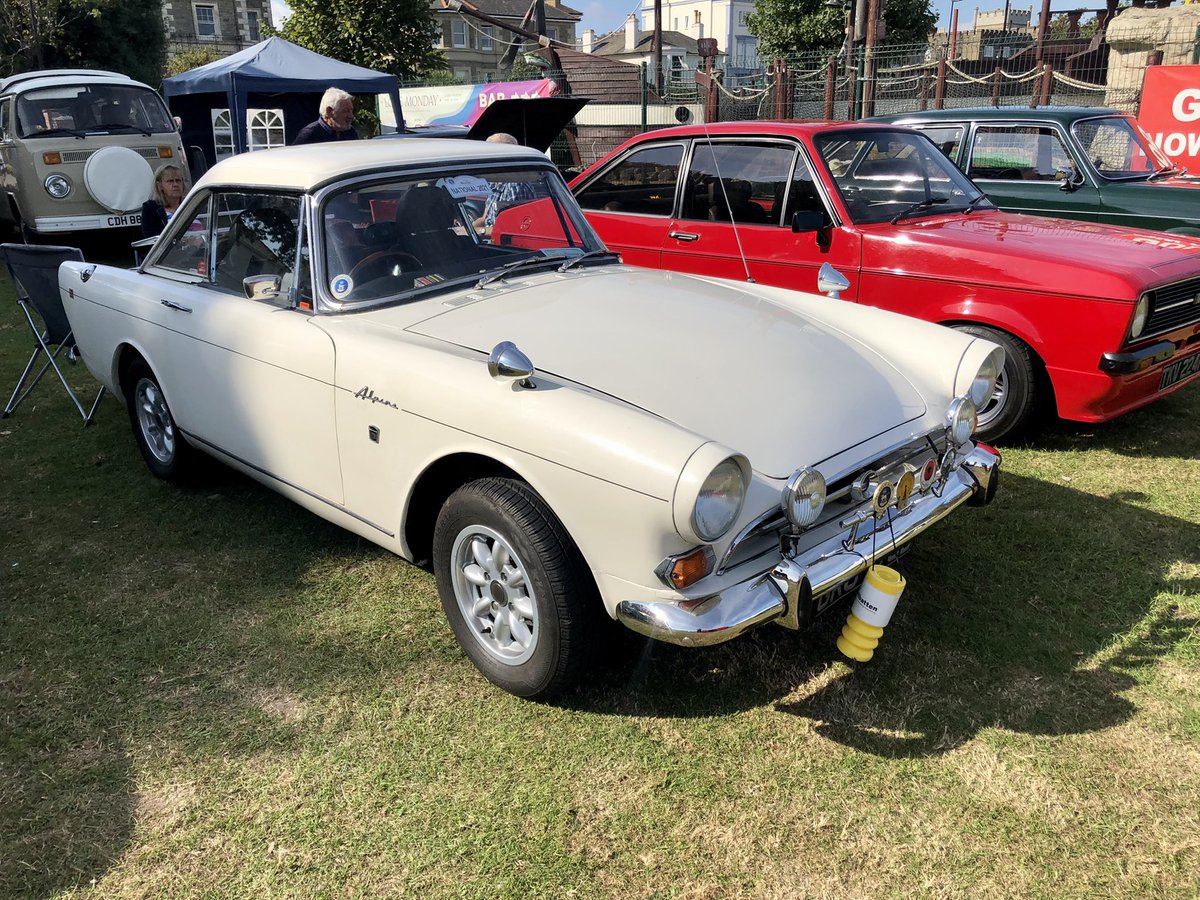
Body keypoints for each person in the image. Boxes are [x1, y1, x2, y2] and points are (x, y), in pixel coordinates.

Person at [474, 132, 545, 237]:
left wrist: (481, 231)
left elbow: (514, 229)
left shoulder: (516, 186)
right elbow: (485, 218)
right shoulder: (495, 183)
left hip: (506, 246)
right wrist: (467, 229)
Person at [292, 88, 359, 145]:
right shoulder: (310, 134)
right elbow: (295, 158)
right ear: (329, 112)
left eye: (351, 111)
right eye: (345, 111)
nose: (351, 116)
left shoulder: (350, 132)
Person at [141, 163, 188, 238]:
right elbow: (152, 239)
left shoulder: (192, 203)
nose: (175, 184)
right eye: (170, 181)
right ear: (159, 185)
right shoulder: (151, 208)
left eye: (178, 180)